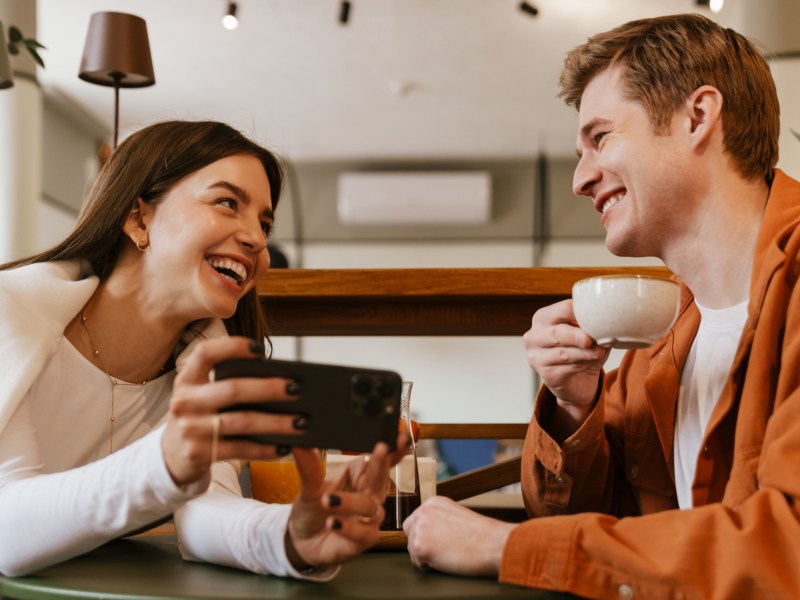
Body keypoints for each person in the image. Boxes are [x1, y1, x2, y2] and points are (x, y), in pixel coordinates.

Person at [404, 13, 800, 599]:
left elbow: (786, 550)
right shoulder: (664, 335)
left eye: (601, 137)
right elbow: (590, 520)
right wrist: (574, 403)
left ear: (698, 117)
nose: (580, 179)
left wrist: (502, 547)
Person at [0, 120, 404, 578]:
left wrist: (290, 537)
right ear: (138, 218)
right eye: (227, 203)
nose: (256, 239)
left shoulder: (212, 366)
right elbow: (6, 528)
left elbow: (206, 509)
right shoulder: (8, 313)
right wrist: (163, 462)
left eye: (265, 224)